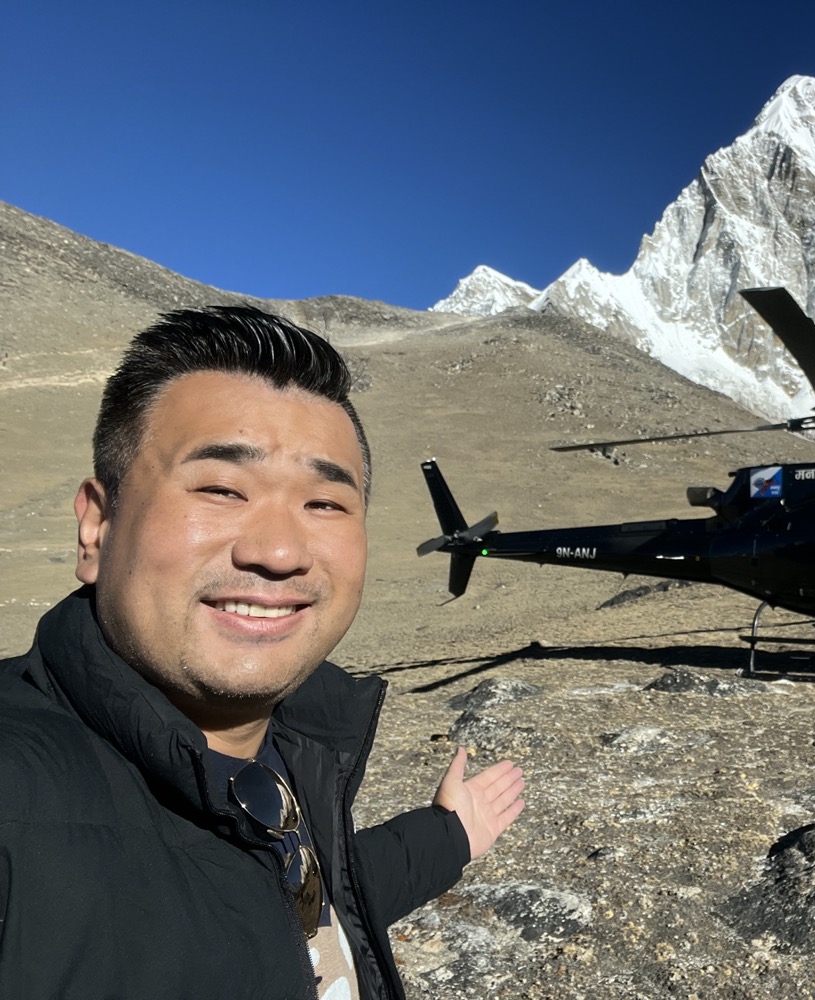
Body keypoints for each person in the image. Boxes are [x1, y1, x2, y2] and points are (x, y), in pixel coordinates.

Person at [0, 305, 526, 999]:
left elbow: (293, 896)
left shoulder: (289, 744)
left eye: (324, 504)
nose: (278, 552)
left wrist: (448, 835)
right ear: (97, 527)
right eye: (221, 489)